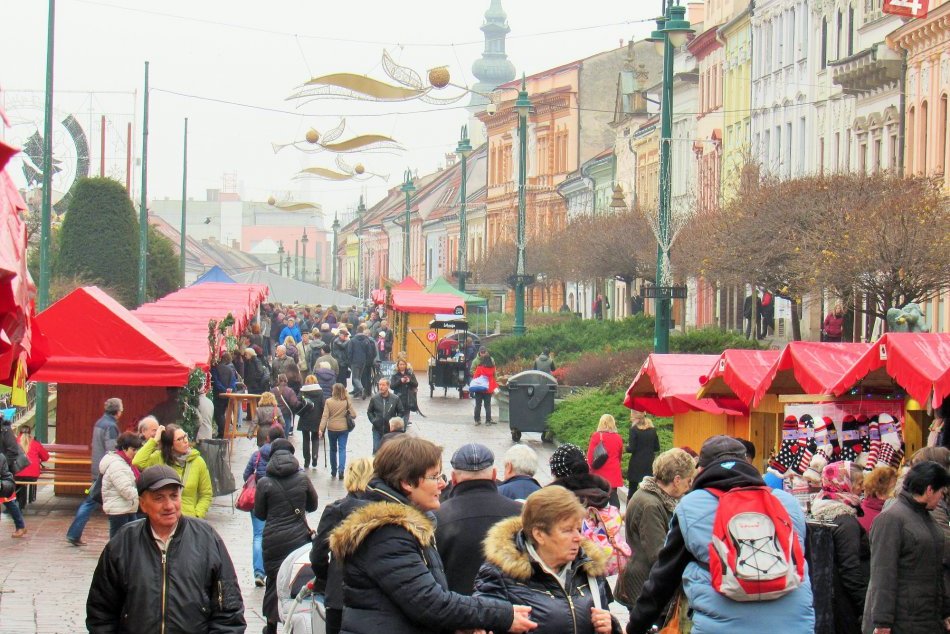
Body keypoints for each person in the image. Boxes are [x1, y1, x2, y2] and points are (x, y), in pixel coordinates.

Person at [328, 436, 537, 634]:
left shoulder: (405, 526)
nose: (442, 484)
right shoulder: (387, 532)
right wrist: (502, 615)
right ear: (407, 483)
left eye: (441, 476)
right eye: (434, 476)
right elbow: (429, 603)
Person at [626, 435, 815, 634]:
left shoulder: (692, 506)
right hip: (793, 626)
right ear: (746, 462)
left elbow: (663, 578)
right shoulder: (787, 503)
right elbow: (807, 566)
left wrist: (635, 627)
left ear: (701, 470)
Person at [86, 465, 245, 632]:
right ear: (143, 504)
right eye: (159, 498)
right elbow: (101, 612)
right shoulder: (123, 544)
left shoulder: (207, 539)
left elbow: (229, 611)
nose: (169, 506)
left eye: (174, 496)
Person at [475, 485, 621, 634]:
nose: (578, 538)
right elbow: (479, 623)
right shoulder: (500, 575)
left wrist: (611, 627)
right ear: (539, 534)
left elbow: (603, 617)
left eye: (578, 529)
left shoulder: (588, 567)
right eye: (567, 530)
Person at [864, 461, 950, 634]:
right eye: (941, 492)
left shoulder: (927, 518)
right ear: (929, 490)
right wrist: (882, 623)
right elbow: (883, 572)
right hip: (902, 621)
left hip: (927, 618)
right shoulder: (891, 519)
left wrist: (945, 611)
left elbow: (937, 569)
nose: (942, 497)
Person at [435, 443, 522, 595]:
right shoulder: (520, 513)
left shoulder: (438, 516)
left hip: (455, 610)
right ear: (494, 475)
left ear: (453, 478)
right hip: (512, 610)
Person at [616, 448, 695, 608]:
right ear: (677, 480)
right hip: (644, 586)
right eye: (689, 480)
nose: (690, 486)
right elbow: (658, 554)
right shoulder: (651, 504)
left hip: (646, 582)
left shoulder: (654, 497)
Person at [253, 438, 318, 634]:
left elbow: (260, 514)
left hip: (273, 541)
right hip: (298, 540)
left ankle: (271, 625)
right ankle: (293, 623)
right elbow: (313, 505)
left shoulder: (264, 482)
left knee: (273, 581)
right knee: (294, 581)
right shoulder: (303, 478)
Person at [311, 458, 374, 634]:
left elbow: (317, 555)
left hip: (338, 594)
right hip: (372, 600)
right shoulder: (382, 511)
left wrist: (328, 576)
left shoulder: (335, 510)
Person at [809, 461, 870, 634]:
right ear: (843, 484)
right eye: (858, 484)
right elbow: (850, 568)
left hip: (828, 597)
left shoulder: (820, 509)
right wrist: (866, 606)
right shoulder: (845, 520)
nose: (862, 489)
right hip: (845, 604)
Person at [67, 397, 122, 546]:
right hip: (105, 470)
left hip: (97, 467)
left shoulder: (99, 423)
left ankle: (74, 533)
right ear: (117, 411)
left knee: (91, 500)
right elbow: (112, 449)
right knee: (91, 501)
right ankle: (74, 533)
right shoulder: (111, 426)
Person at [132, 423, 213, 518]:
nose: (185, 441)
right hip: (162, 517)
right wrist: (154, 441)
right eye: (179, 439)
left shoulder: (198, 461)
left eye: (185, 436)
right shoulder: (159, 458)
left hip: (187, 519)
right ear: (170, 445)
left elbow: (206, 494)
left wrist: (197, 515)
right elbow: (137, 462)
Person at [244, 425, 283, 588]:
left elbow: (246, 475)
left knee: (258, 535)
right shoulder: (283, 457)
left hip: (258, 499)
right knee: (276, 534)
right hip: (276, 500)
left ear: (267, 438)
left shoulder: (257, 455)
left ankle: (259, 572)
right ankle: (276, 569)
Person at [99, 431, 144, 538]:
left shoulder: (125, 462)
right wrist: (143, 494)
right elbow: (126, 490)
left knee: (129, 539)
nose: (136, 452)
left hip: (126, 507)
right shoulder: (117, 465)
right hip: (119, 510)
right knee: (117, 542)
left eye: (137, 449)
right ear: (124, 448)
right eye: (133, 449)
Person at [586, 414, 625, 507]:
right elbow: (619, 457)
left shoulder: (596, 436)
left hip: (599, 474)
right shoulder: (618, 438)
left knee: (597, 499)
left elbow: (590, 458)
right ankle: (616, 517)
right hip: (613, 473)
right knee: (613, 498)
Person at [320, 383, 357, 479]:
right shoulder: (346, 402)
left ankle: (333, 470)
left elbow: (325, 416)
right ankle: (341, 470)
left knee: (333, 449)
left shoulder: (328, 401)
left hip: (331, 428)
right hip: (343, 428)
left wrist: (321, 429)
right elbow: (354, 415)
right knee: (342, 449)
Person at [0, 418, 26, 538]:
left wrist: (3, 464)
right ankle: (20, 526)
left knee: (9, 500)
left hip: (4, 472)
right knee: (9, 501)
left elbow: (13, 451)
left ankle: (20, 526)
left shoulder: (5, 430)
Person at [366, 378, 405, 454]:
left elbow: (401, 412)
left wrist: (394, 422)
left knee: (389, 451)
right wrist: (374, 421)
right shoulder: (374, 398)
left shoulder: (395, 398)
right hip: (377, 429)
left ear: (388, 386)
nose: (381, 387)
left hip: (390, 430)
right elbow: (369, 412)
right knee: (376, 450)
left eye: (383, 385)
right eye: (379, 384)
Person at [14, 424, 49, 511]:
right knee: (23, 481)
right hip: (32, 475)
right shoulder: (35, 444)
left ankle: (15, 503)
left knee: (17, 480)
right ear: (30, 433)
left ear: (19, 432)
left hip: (16, 473)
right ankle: (21, 504)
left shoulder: (14, 442)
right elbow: (46, 457)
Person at [627, 411, 660, 493]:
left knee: (632, 489)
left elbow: (631, 448)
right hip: (649, 463)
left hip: (636, 463)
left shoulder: (634, 430)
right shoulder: (653, 430)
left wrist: (626, 447)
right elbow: (657, 448)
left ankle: (631, 505)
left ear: (635, 418)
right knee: (648, 489)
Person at [859, 466, 898, 533]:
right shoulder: (884, 519)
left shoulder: (859, 507)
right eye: (892, 490)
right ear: (880, 493)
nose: (894, 495)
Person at [298, 375, 326, 470]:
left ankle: (306, 460)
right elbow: (323, 405)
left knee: (305, 439)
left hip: (305, 417)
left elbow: (298, 404)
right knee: (315, 438)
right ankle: (315, 456)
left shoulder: (302, 391)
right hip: (316, 418)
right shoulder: (320, 391)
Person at [210, 354, 238, 438]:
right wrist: (229, 389)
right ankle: (225, 431)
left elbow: (215, 381)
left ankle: (223, 432)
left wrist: (223, 389)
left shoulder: (215, 369)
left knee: (219, 414)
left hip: (219, 395)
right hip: (228, 395)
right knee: (227, 413)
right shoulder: (230, 370)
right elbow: (233, 382)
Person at [472, 346, 498, 426]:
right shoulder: (493, 368)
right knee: (487, 405)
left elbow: (475, 377)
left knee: (478, 405)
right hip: (488, 389)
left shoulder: (479, 368)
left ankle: (477, 420)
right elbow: (495, 377)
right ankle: (488, 421)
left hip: (479, 389)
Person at [389, 359, 418, 424]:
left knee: (406, 415)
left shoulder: (410, 374)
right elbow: (392, 386)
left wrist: (409, 381)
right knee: (399, 415)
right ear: (398, 366)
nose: (402, 366)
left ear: (406, 365)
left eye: (403, 364)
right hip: (398, 398)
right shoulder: (395, 375)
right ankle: (400, 427)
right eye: (400, 364)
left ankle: (404, 427)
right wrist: (400, 381)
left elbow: (416, 384)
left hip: (408, 398)